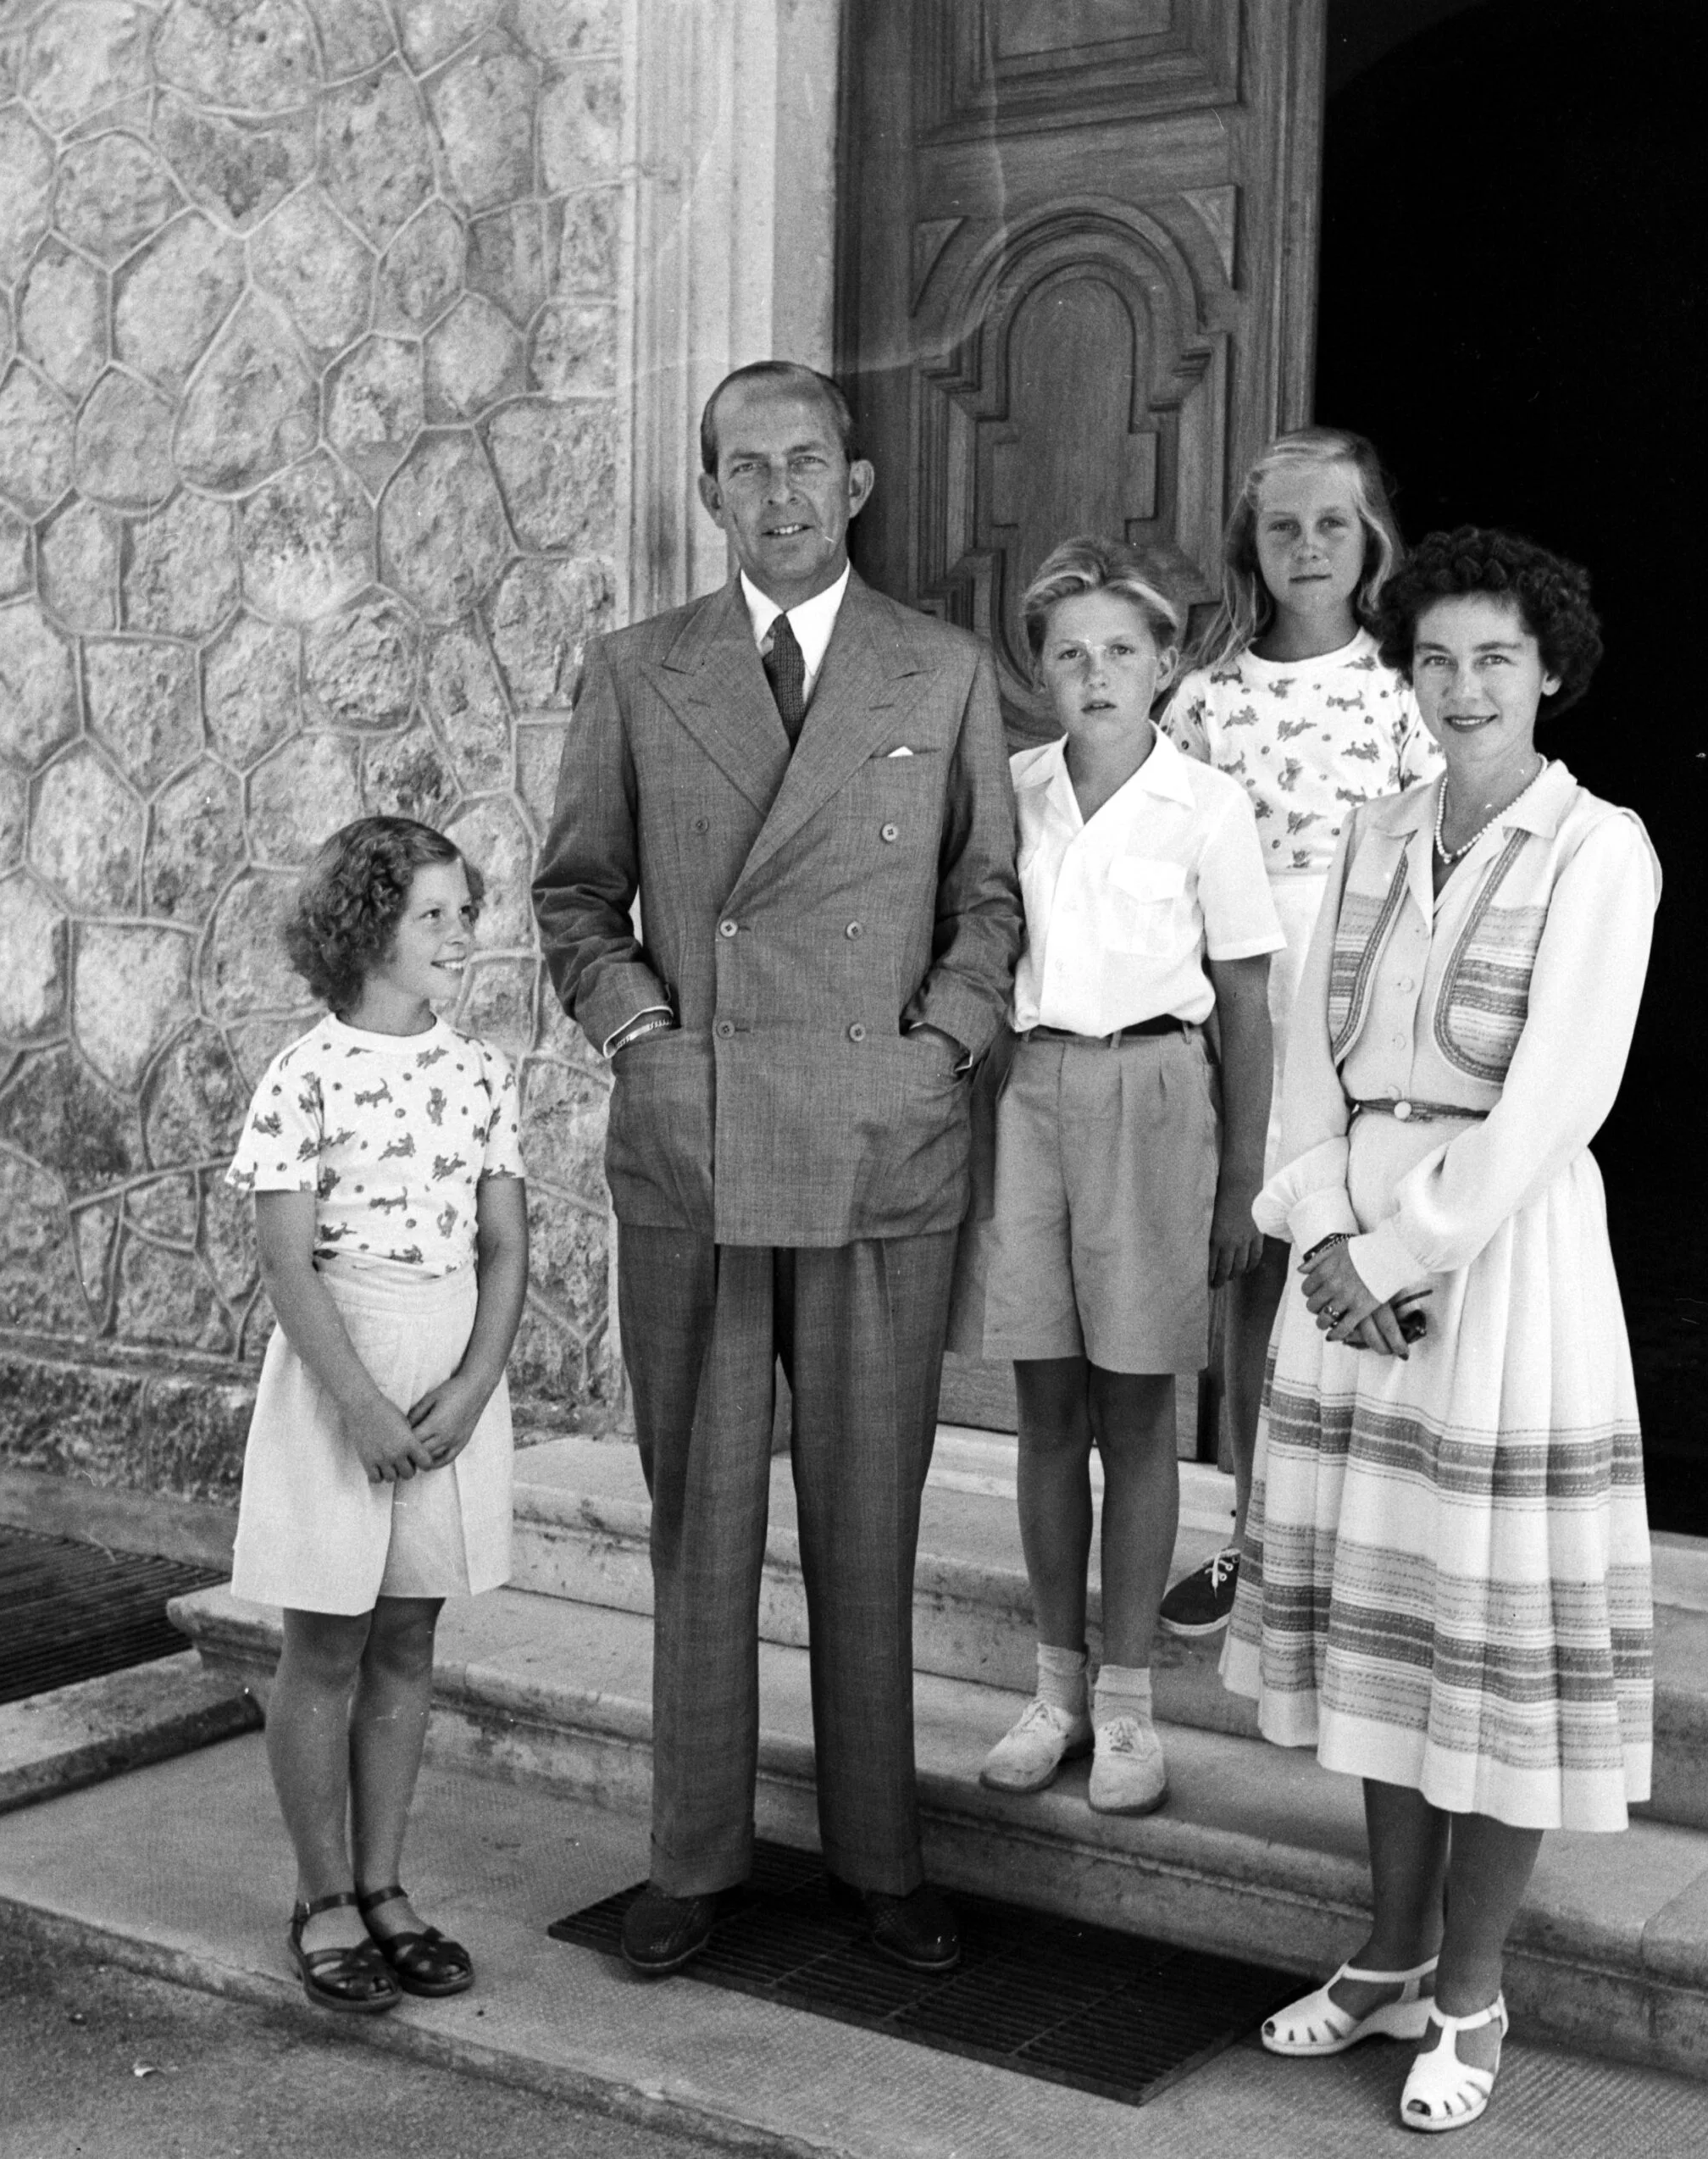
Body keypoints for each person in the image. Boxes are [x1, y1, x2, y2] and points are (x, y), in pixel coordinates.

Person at [531, 361, 1021, 1979]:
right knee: (703, 1523)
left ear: (857, 485)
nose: (785, 494)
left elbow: (989, 903)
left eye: (809, 463)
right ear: (711, 496)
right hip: (704, 1137)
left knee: (870, 1523)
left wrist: (942, 1046)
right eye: (749, 470)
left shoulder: (940, 669)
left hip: (879, 1139)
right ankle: (691, 1858)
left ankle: (881, 1859)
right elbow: (577, 898)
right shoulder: (637, 668)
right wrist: (646, 1041)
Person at [1226, 528, 1658, 2133]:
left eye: (1495, 658)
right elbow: (1303, 1057)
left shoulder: (1598, 848)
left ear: (1549, 671)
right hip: (1347, 1255)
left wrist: (1404, 1247)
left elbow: (1560, 1096)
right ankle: (1390, 1953)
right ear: (1403, 680)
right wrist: (1321, 1230)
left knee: (1480, 1644)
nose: (1463, 687)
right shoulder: (1367, 835)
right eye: (1434, 659)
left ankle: (1472, 1993)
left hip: (1498, 1270)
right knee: (1379, 1633)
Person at [971, 539, 1278, 1818]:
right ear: (1036, 673)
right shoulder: (1011, 791)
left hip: (1157, 1098)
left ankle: (1135, 1706)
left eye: (1120, 651)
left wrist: (1239, 1183)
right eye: (1068, 652)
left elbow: (1249, 1004)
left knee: (1139, 1415)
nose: (1095, 672)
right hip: (1031, 1095)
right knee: (1048, 1412)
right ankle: (1057, 1691)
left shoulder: (1206, 806)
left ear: (1166, 667)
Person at [225, 815, 530, 2016]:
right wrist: (359, 1407)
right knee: (329, 1646)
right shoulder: (306, 1077)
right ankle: (323, 1893)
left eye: (468, 912)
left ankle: (388, 1884)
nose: (464, 936)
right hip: (342, 1377)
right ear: (368, 932)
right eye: (436, 918)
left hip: (448, 1376)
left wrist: (471, 1388)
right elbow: (289, 1265)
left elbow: (506, 1246)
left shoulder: (480, 1072)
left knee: (408, 1639)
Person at [1156, 426, 1442, 1640]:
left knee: (1369, 1264)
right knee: (1256, 1271)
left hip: (1371, 1022)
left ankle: (1367, 1560)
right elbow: (1158, 859)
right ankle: (1249, 1533)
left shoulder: (1404, 697)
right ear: (1251, 549)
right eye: (1284, 527)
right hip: (1247, 1020)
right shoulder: (1208, 701)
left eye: (1333, 524)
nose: (1309, 546)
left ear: (1370, 540)